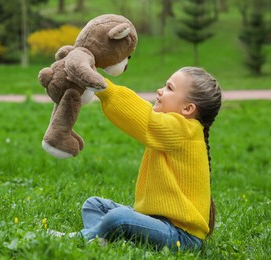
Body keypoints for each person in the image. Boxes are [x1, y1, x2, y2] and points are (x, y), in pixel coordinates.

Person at [77, 67, 222, 251]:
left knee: (118, 218)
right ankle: (103, 240)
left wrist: (104, 88)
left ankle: (83, 238)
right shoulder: (178, 129)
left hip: (182, 237)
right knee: (94, 204)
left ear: (188, 108)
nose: (160, 90)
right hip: (156, 222)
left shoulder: (185, 130)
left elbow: (144, 119)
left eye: (169, 88)